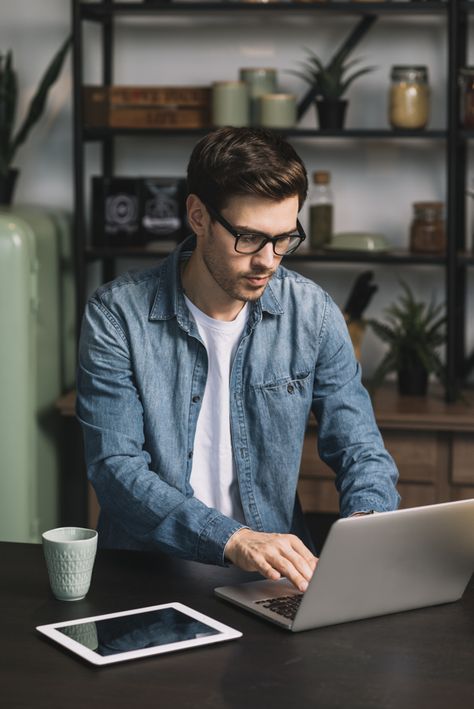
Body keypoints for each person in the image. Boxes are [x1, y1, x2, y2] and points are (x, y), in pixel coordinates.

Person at [77, 127, 399, 594]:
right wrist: (232, 538)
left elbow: (361, 451)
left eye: (285, 238)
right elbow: (116, 470)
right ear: (198, 216)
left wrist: (366, 527)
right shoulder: (116, 317)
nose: (269, 261)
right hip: (146, 576)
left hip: (271, 582)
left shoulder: (313, 314)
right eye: (248, 238)